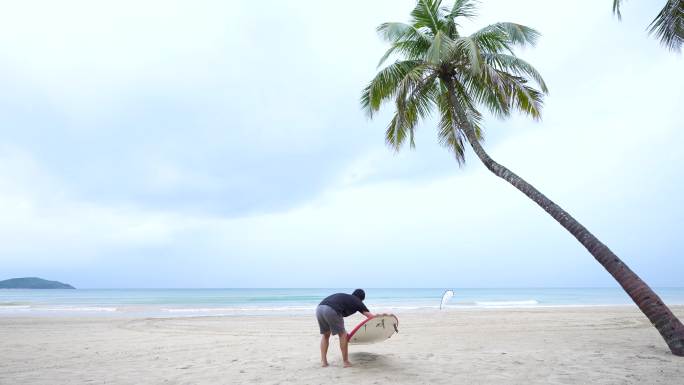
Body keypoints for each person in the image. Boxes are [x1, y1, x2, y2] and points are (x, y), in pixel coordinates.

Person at [316, 289, 374, 367]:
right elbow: (370, 317)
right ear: (361, 299)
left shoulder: (347, 297)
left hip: (319, 309)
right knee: (343, 335)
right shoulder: (357, 301)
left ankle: (324, 362)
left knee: (326, 335)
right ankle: (346, 362)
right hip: (332, 309)